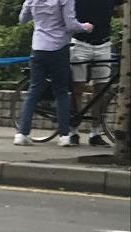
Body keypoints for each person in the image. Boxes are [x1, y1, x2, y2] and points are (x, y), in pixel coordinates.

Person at [14, 0, 92, 147]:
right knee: (61, 92)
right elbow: (71, 25)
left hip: (38, 47)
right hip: (59, 48)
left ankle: (22, 133)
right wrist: (85, 27)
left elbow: (22, 19)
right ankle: (64, 136)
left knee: (33, 91)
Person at [69, 0, 123, 145]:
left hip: (103, 44)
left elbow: (120, 10)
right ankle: (73, 130)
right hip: (80, 42)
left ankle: (95, 131)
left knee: (101, 89)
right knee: (77, 87)